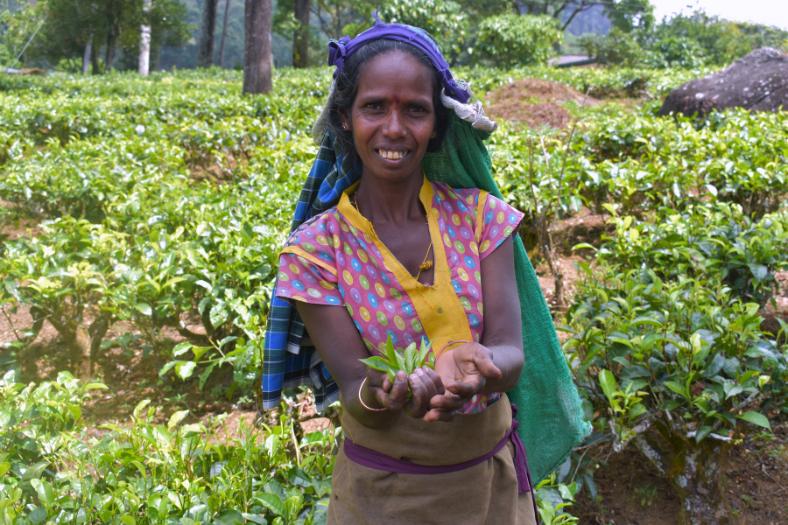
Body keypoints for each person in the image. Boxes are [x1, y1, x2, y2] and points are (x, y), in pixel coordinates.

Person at [264, 17, 589, 525]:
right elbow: (353, 386)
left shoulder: (482, 218)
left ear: (437, 123)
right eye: (374, 107)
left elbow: (510, 349)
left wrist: (485, 367)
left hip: (491, 487)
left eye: (415, 110)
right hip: (385, 496)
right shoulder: (314, 252)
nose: (394, 128)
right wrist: (387, 391)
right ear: (345, 118)